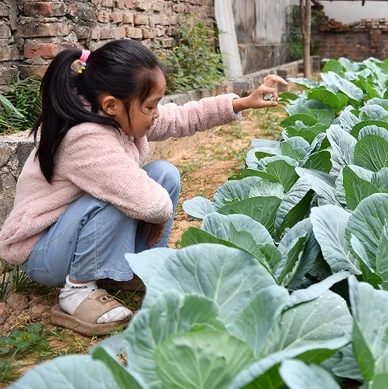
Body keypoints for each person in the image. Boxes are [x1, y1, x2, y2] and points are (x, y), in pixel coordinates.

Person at [0, 39, 287, 335]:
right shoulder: (84, 138)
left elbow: (182, 117)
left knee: (164, 173)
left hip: (71, 235)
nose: (158, 113)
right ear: (111, 105)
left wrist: (241, 102)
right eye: (151, 106)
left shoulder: (117, 115)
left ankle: (132, 270)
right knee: (121, 195)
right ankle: (77, 291)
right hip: (44, 253)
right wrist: (157, 217)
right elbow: (154, 205)